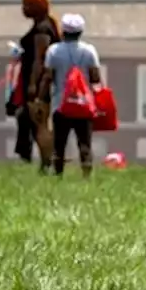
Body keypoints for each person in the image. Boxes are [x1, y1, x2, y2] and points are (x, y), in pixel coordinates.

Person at [39, 13, 102, 177]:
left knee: (59, 144)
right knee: (85, 144)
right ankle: (87, 175)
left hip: (61, 105)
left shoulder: (53, 51)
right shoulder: (89, 51)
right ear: (80, 32)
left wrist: (41, 98)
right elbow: (95, 78)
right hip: (84, 105)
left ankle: (58, 174)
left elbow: (48, 77)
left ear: (63, 32)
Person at [19, 0, 61, 173]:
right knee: (28, 118)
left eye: (27, 5)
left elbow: (40, 58)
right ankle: (41, 158)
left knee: (39, 121)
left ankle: (47, 161)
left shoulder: (43, 29)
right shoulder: (45, 25)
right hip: (38, 79)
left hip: (39, 82)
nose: (23, 9)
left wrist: (33, 84)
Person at [3, 41, 33, 162]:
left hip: (22, 102)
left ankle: (25, 154)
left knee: (26, 130)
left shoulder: (19, 68)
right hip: (19, 102)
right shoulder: (14, 67)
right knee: (24, 130)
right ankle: (25, 154)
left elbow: (14, 87)